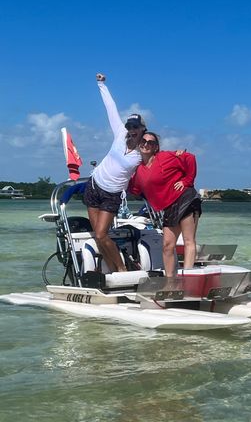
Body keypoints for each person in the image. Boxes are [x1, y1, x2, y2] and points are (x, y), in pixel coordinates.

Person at [83, 73, 147, 272]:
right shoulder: (120, 134)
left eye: (135, 126)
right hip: (94, 186)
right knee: (97, 234)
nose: (131, 129)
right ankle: (110, 272)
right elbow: (110, 107)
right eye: (129, 126)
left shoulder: (143, 151)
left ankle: (122, 270)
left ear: (143, 129)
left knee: (102, 234)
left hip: (112, 195)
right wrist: (101, 84)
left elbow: (159, 164)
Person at [128, 132, 202, 277]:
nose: (146, 144)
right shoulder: (138, 170)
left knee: (188, 241)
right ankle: (170, 281)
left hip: (185, 198)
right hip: (169, 206)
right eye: (143, 141)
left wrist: (187, 181)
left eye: (151, 142)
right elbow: (135, 190)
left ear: (156, 147)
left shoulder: (165, 157)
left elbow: (190, 158)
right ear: (139, 143)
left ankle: (187, 279)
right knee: (167, 246)